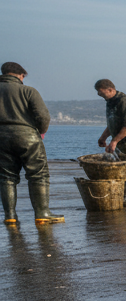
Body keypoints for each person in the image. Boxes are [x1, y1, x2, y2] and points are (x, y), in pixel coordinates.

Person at [0, 61, 62, 225]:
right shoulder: (28, 91)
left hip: (1, 137)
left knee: (6, 177)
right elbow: (43, 116)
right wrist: (41, 132)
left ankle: (10, 216)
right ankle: (42, 213)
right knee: (38, 174)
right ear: (21, 75)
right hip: (27, 135)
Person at [95, 79, 126, 207]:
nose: (99, 95)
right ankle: (123, 197)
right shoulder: (110, 102)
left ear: (110, 90)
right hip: (120, 142)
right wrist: (103, 138)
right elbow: (112, 123)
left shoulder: (124, 102)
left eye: (101, 93)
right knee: (121, 170)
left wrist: (114, 141)